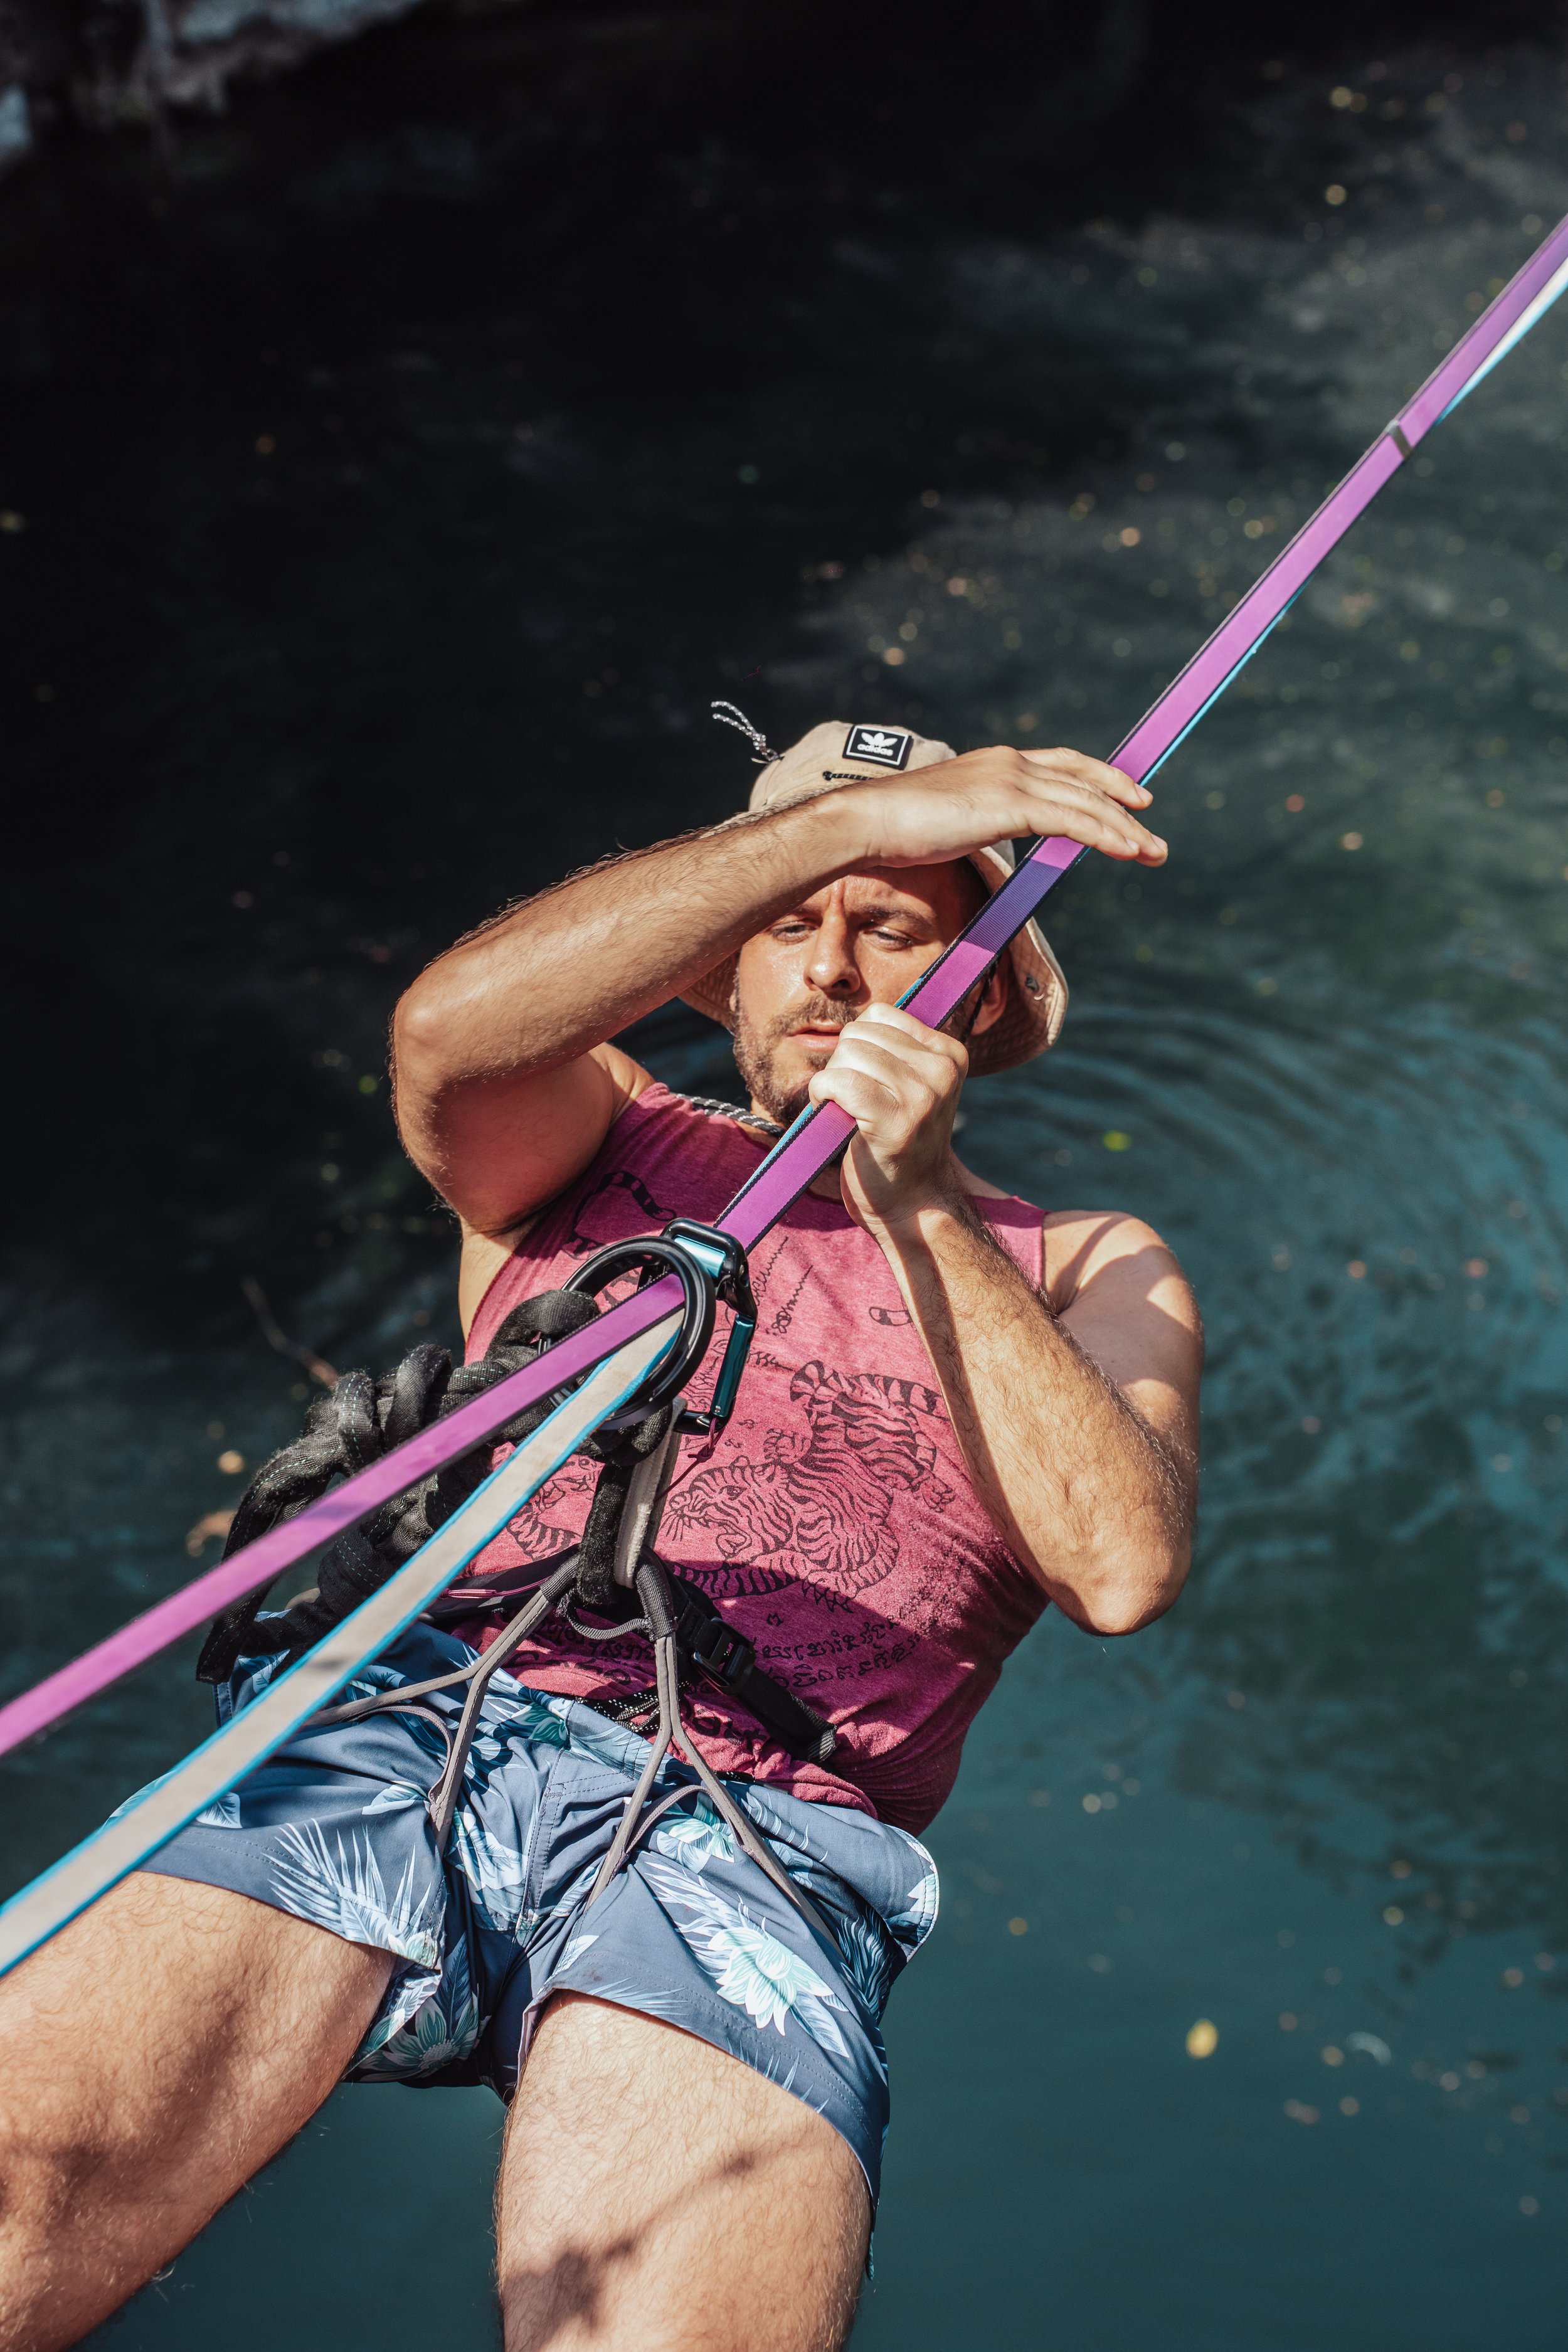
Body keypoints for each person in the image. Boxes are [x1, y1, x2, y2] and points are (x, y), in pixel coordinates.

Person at [0, 721, 1202, 2352]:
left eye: (895, 926)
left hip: (771, 1825)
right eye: (790, 927)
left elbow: (1119, 1563)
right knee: (27, 2181)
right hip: (426, 1713)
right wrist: (870, 823)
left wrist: (918, 1206)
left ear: (976, 996)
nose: (830, 968)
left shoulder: (1077, 1263)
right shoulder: (613, 1136)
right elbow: (445, 1033)